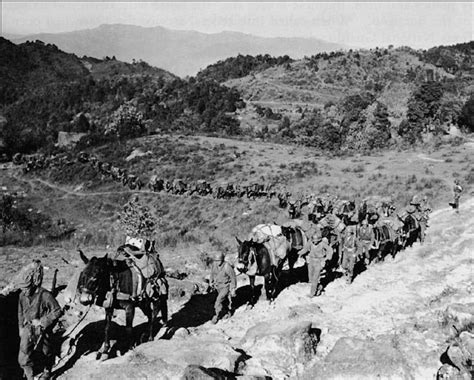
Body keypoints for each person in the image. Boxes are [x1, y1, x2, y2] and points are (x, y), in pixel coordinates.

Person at [17, 261, 62, 380]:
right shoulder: (22, 295)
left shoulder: (45, 295)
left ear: (32, 284)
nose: (24, 291)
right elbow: (20, 312)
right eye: (22, 288)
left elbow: (57, 311)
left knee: (46, 352)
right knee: (23, 357)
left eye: (26, 288)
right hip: (28, 328)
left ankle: (47, 371)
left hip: (42, 329)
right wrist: (21, 327)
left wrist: (42, 322)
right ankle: (29, 377)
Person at [298, 228, 332, 297]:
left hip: (319, 262)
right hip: (311, 261)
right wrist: (300, 253)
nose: (315, 242)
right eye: (313, 241)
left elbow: (330, 250)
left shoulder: (322, 244)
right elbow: (305, 249)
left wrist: (326, 259)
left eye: (316, 241)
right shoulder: (310, 242)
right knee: (310, 278)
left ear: (319, 240)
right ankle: (319, 287)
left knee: (315, 278)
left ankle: (312, 293)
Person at [210, 252, 237, 324]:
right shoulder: (214, 265)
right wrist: (211, 281)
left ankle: (216, 315)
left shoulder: (227, 266)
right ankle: (227, 312)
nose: (217, 262)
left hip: (225, 286)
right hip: (217, 286)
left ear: (222, 260)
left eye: (219, 260)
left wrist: (233, 288)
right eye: (215, 261)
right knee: (224, 301)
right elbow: (212, 274)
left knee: (218, 300)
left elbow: (233, 277)